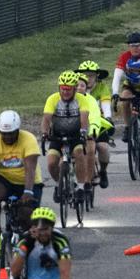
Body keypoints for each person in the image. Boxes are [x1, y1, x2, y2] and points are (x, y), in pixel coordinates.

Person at [0, 110, 44, 259]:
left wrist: (28, 192)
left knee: (25, 215)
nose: (7, 137)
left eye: (11, 133)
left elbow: (30, 168)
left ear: (18, 130)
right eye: (4, 133)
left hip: (28, 182)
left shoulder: (28, 139)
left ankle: (31, 245)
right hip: (6, 180)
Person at [8, 207, 73, 279]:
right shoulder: (24, 241)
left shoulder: (60, 241)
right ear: (33, 228)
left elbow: (65, 272)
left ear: (52, 228)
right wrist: (26, 245)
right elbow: (14, 271)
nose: (43, 233)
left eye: (46, 229)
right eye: (39, 230)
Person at [42, 72, 90, 204]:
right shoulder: (53, 99)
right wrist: (44, 133)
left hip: (76, 134)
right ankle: (59, 185)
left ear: (75, 88)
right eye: (62, 88)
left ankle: (80, 187)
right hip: (57, 135)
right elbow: (46, 119)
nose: (65, 92)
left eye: (68, 89)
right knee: (52, 163)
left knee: (78, 153)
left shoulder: (81, 99)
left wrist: (83, 132)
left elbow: (84, 118)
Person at [76, 61, 114, 188]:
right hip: (78, 122)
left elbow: (106, 105)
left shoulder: (102, 87)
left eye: (91, 75)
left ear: (97, 77)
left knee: (102, 147)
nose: (88, 78)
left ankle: (103, 171)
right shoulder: (75, 87)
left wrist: (108, 117)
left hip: (99, 121)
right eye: (85, 75)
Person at [113, 33, 140, 136]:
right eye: (132, 46)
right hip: (130, 85)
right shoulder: (124, 56)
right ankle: (127, 127)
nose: (135, 48)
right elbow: (117, 76)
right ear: (128, 47)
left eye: (138, 45)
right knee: (125, 99)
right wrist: (115, 93)